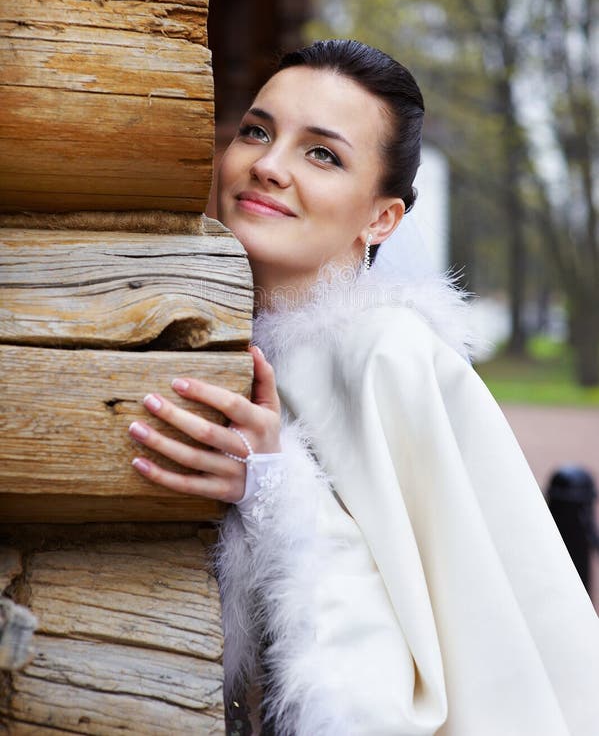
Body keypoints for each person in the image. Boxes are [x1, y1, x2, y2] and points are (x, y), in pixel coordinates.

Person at [127, 40, 599, 736]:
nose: (267, 165)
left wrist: (271, 483)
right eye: (256, 130)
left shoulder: (391, 357)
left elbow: (430, 660)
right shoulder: (201, 342)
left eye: (322, 154)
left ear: (380, 218)